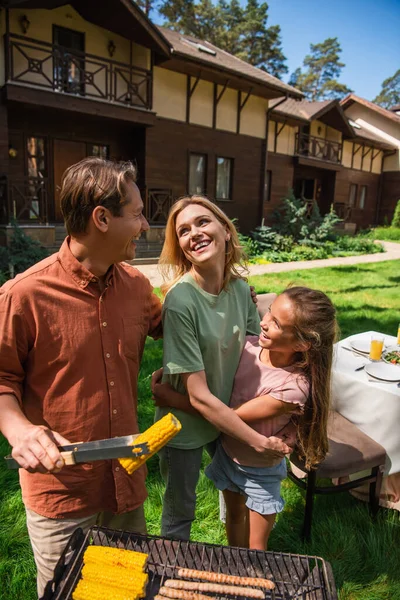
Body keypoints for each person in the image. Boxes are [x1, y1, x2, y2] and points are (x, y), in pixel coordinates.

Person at [0, 158, 162, 597]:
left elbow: (185, 329)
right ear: (102, 218)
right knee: (67, 593)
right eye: (138, 214)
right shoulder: (25, 295)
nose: (145, 225)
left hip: (125, 483)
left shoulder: (138, 288)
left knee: (128, 590)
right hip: (62, 493)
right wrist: (20, 430)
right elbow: (1, 379)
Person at [152, 195, 294, 541]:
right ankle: (173, 583)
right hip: (184, 426)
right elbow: (199, 398)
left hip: (231, 416)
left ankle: (239, 570)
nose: (194, 233)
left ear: (225, 231)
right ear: (181, 247)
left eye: (202, 222)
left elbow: (252, 360)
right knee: (180, 513)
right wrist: (259, 441)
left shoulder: (240, 290)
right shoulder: (181, 300)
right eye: (183, 231)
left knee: (239, 495)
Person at [205, 286, 337, 550]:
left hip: (260, 473)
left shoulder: (294, 385)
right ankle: (235, 567)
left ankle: (254, 580)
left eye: (276, 322)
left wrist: (178, 401)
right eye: (268, 312)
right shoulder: (249, 346)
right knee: (233, 518)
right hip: (228, 455)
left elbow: (231, 418)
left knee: (257, 547)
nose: (263, 322)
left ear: (301, 344)